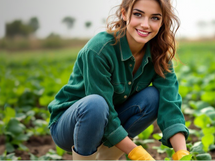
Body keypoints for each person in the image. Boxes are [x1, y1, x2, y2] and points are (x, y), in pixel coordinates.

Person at [47, 0, 190, 160]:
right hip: (71, 127)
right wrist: (137, 154)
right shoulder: (99, 49)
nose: (145, 24)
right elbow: (101, 107)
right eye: (138, 15)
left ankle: (106, 157)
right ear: (124, 14)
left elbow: (169, 103)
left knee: (154, 97)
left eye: (155, 18)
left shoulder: (159, 53)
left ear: (162, 21)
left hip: (109, 119)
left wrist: (182, 153)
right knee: (96, 103)